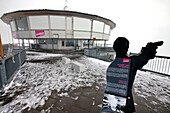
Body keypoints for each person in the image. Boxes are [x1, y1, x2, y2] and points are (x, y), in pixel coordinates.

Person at [111, 37, 163, 113]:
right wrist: (150, 47)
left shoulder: (113, 64)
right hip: (125, 99)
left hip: (112, 98)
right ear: (126, 48)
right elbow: (143, 57)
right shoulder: (129, 62)